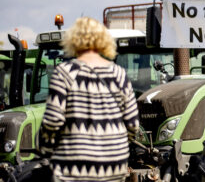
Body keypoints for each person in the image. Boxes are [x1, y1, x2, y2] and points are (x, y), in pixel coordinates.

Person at [40, 17, 139, 181]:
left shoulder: (64, 72)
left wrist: (45, 149)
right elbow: (133, 125)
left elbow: (53, 121)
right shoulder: (118, 73)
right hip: (114, 163)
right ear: (103, 41)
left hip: (75, 164)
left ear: (72, 40)